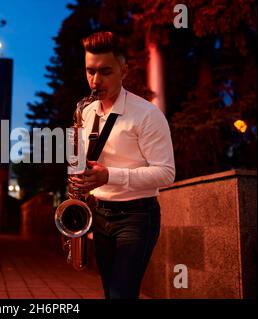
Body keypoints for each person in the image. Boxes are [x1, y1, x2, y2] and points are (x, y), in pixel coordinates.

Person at [70, 31, 175, 299]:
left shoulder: (148, 115)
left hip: (137, 217)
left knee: (121, 295)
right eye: (90, 71)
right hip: (101, 214)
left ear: (123, 71)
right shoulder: (86, 111)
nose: (95, 80)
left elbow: (166, 173)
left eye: (105, 72)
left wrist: (109, 176)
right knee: (110, 292)